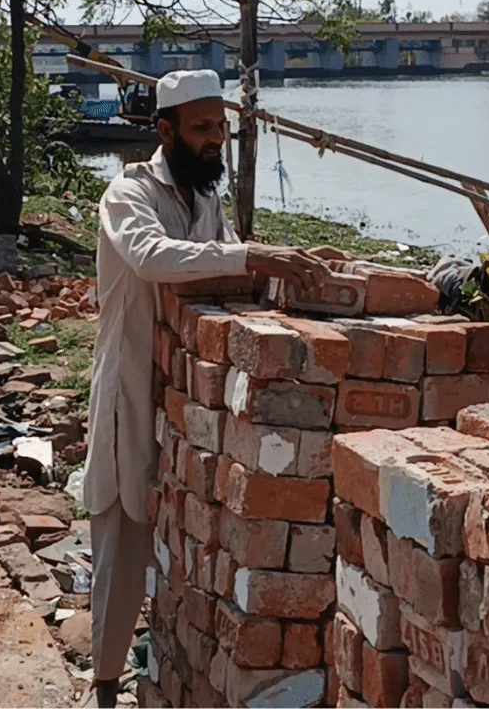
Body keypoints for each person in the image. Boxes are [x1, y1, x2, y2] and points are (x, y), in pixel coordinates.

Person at [82, 69, 330, 709]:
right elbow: (154, 257)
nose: (215, 139)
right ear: (166, 132)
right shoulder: (129, 194)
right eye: (202, 128)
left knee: (177, 532)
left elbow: (221, 271)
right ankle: (104, 685)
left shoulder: (206, 200)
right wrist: (252, 256)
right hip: (130, 389)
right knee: (121, 536)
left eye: (220, 127)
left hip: (188, 396)